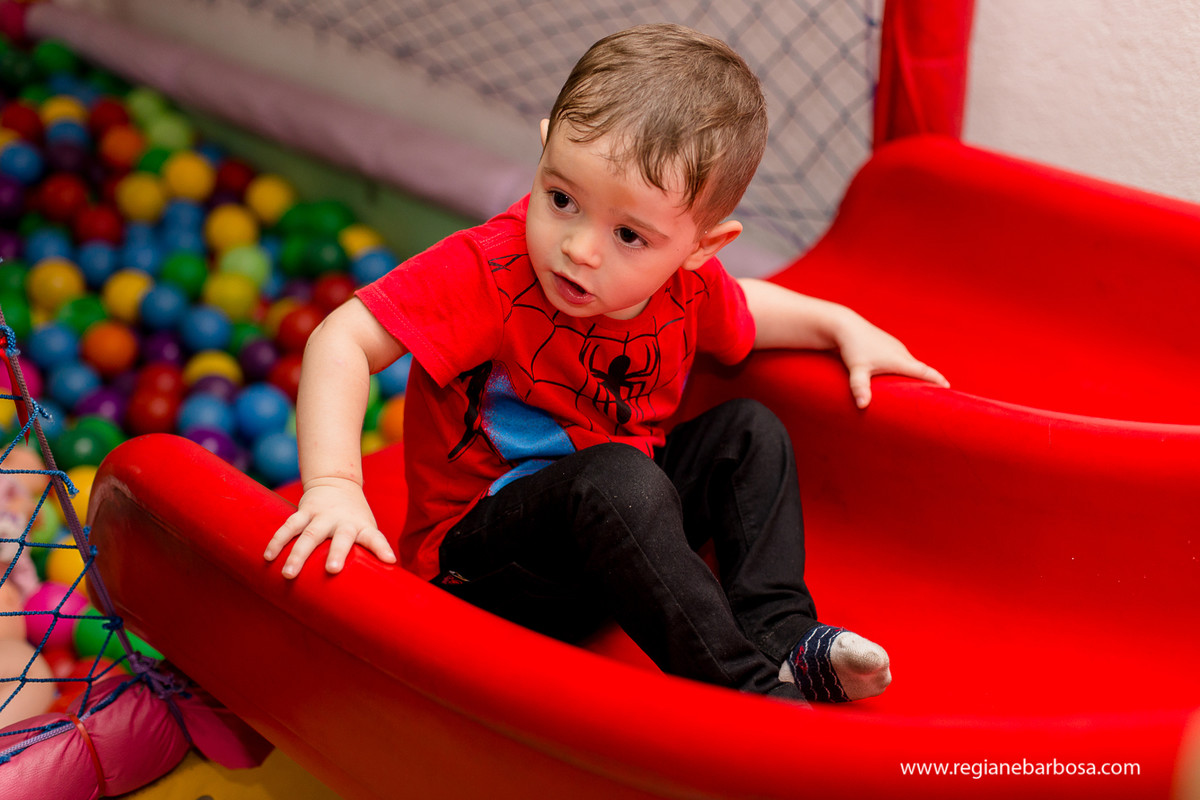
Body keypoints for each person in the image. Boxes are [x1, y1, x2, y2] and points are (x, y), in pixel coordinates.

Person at [263, 23, 948, 703]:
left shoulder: (687, 287)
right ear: (544, 151)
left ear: (700, 249)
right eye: (562, 199)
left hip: (614, 553)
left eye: (628, 235)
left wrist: (840, 324)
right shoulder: (490, 271)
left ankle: (783, 632)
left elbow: (748, 310)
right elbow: (342, 339)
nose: (580, 249)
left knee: (748, 432)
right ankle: (750, 692)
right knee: (620, 477)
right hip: (484, 567)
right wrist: (333, 485)